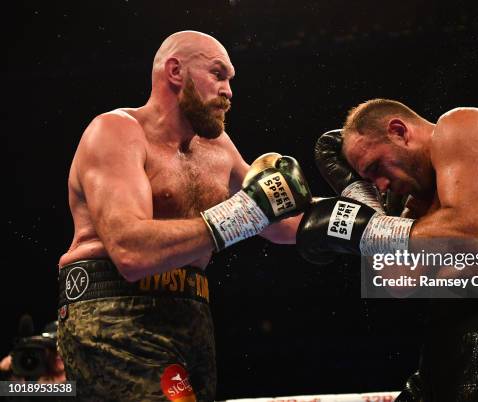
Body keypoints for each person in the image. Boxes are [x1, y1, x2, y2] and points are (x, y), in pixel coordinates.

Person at [57, 31, 310, 402]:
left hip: (192, 312)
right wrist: (245, 211)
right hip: (114, 310)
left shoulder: (218, 148)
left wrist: (368, 217)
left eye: (230, 80)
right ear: (175, 71)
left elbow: (278, 221)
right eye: (218, 74)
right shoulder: (116, 131)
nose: (229, 91)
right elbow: (131, 252)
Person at [297, 99, 478, 401]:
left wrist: (370, 229)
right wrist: (363, 200)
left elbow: (473, 234)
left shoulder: (460, 126)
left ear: (399, 131)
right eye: (369, 180)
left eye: (377, 167)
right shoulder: (420, 203)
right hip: (449, 336)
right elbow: (398, 280)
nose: (381, 183)